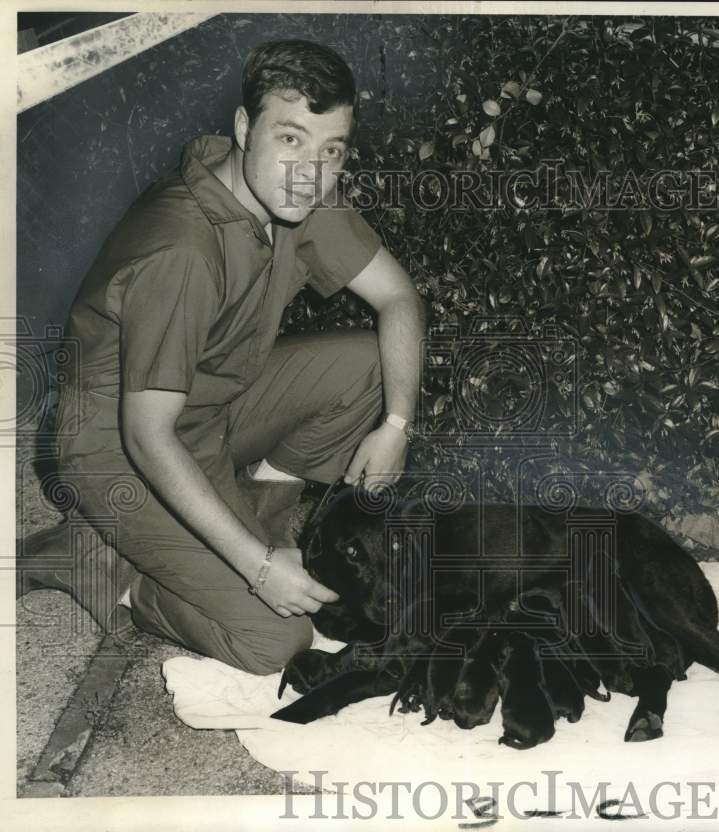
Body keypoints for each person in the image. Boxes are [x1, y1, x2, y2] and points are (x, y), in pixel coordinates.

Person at [21, 39, 427, 675]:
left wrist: (397, 426)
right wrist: (258, 567)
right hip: (116, 448)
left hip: (212, 408)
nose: (311, 172)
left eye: (332, 150)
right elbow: (146, 436)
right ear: (244, 128)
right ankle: (103, 568)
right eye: (290, 139)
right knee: (275, 641)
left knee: (372, 366)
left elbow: (399, 298)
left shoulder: (295, 195)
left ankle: (242, 520)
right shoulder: (183, 249)